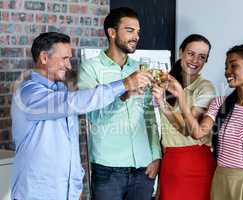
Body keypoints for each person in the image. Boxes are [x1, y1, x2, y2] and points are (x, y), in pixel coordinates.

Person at [10, 32, 153, 200]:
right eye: (64, 58)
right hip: (36, 194)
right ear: (44, 58)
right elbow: (75, 101)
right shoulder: (28, 93)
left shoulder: (62, 91)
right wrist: (124, 84)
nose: (69, 65)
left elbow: (70, 146)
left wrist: (76, 187)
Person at [162, 44, 243, 200]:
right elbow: (197, 132)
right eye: (226, 66)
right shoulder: (219, 104)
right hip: (220, 179)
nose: (227, 71)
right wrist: (181, 97)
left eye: (233, 65)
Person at [78, 7, 161, 200]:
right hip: (108, 169)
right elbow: (93, 116)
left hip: (143, 167)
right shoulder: (91, 69)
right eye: (130, 30)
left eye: (138, 32)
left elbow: (149, 115)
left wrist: (156, 155)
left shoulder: (141, 68)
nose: (136, 36)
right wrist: (124, 94)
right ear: (112, 32)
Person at [152, 34, 216, 200]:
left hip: (197, 163)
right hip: (170, 161)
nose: (195, 60)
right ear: (181, 51)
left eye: (202, 57)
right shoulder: (163, 81)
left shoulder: (205, 88)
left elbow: (187, 129)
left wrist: (177, 97)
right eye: (191, 53)